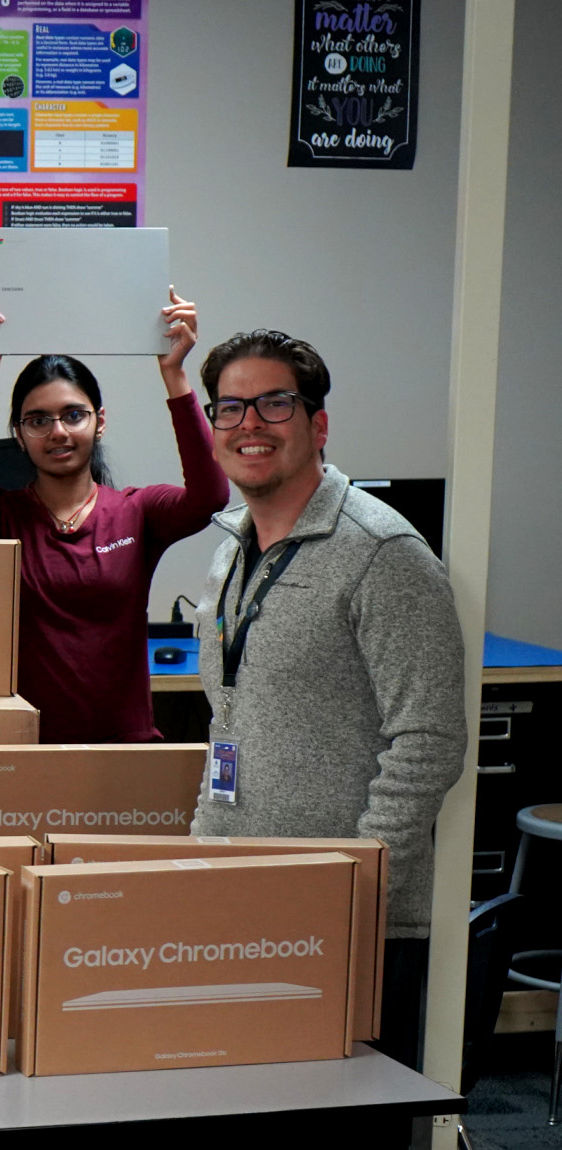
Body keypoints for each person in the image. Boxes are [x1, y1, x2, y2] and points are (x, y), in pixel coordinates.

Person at [191, 328, 465, 1070]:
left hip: (353, 920)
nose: (249, 424)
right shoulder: (229, 554)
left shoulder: (382, 554)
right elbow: (230, 726)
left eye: (273, 404)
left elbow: (429, 738)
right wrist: (199, 863)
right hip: (242, 900)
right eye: (230, 407)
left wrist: (360, 876)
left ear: (317, 424)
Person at [0, 285, 227, 742]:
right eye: (38, 420)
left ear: (100, 421)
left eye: (73, 415)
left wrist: (174, 374)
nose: (58, 432)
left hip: (125, 751)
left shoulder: (138, 512)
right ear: (18, 435)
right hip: (28, 753)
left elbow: (210, 496)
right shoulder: (2, 517)